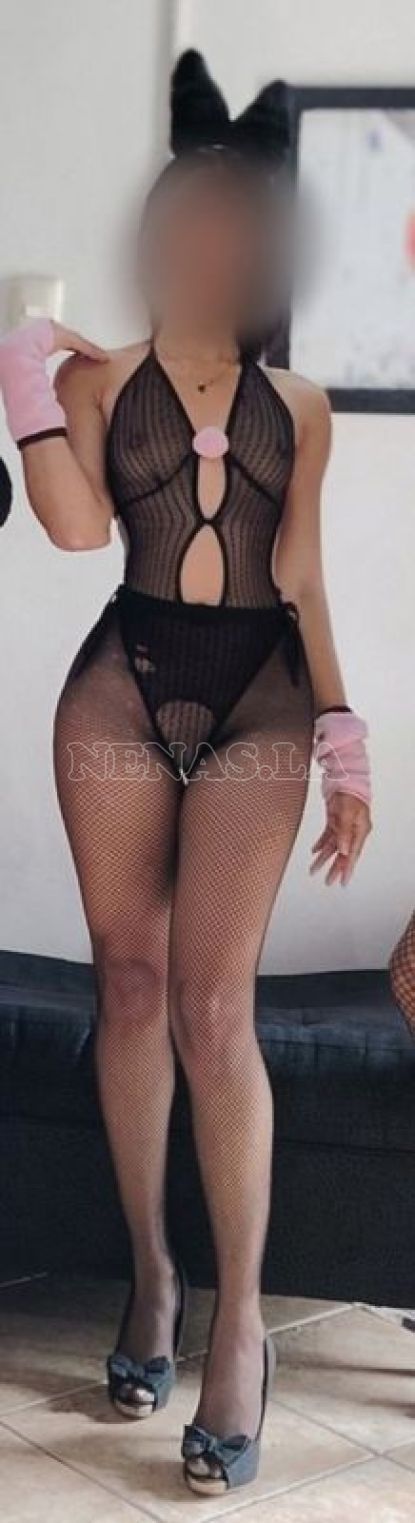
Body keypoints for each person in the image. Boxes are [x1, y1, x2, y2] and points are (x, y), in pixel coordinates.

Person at [0, 50, 372, 1498]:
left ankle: (239, 1330)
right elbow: (75, 533)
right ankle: (152, 1276)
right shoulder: (104, 381)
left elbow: (304, 576)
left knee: (217, 1007)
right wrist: (28, 379)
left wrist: (343, 739)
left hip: (258, 695)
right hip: (123, 677)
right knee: (131, 980)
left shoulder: (304, 404)